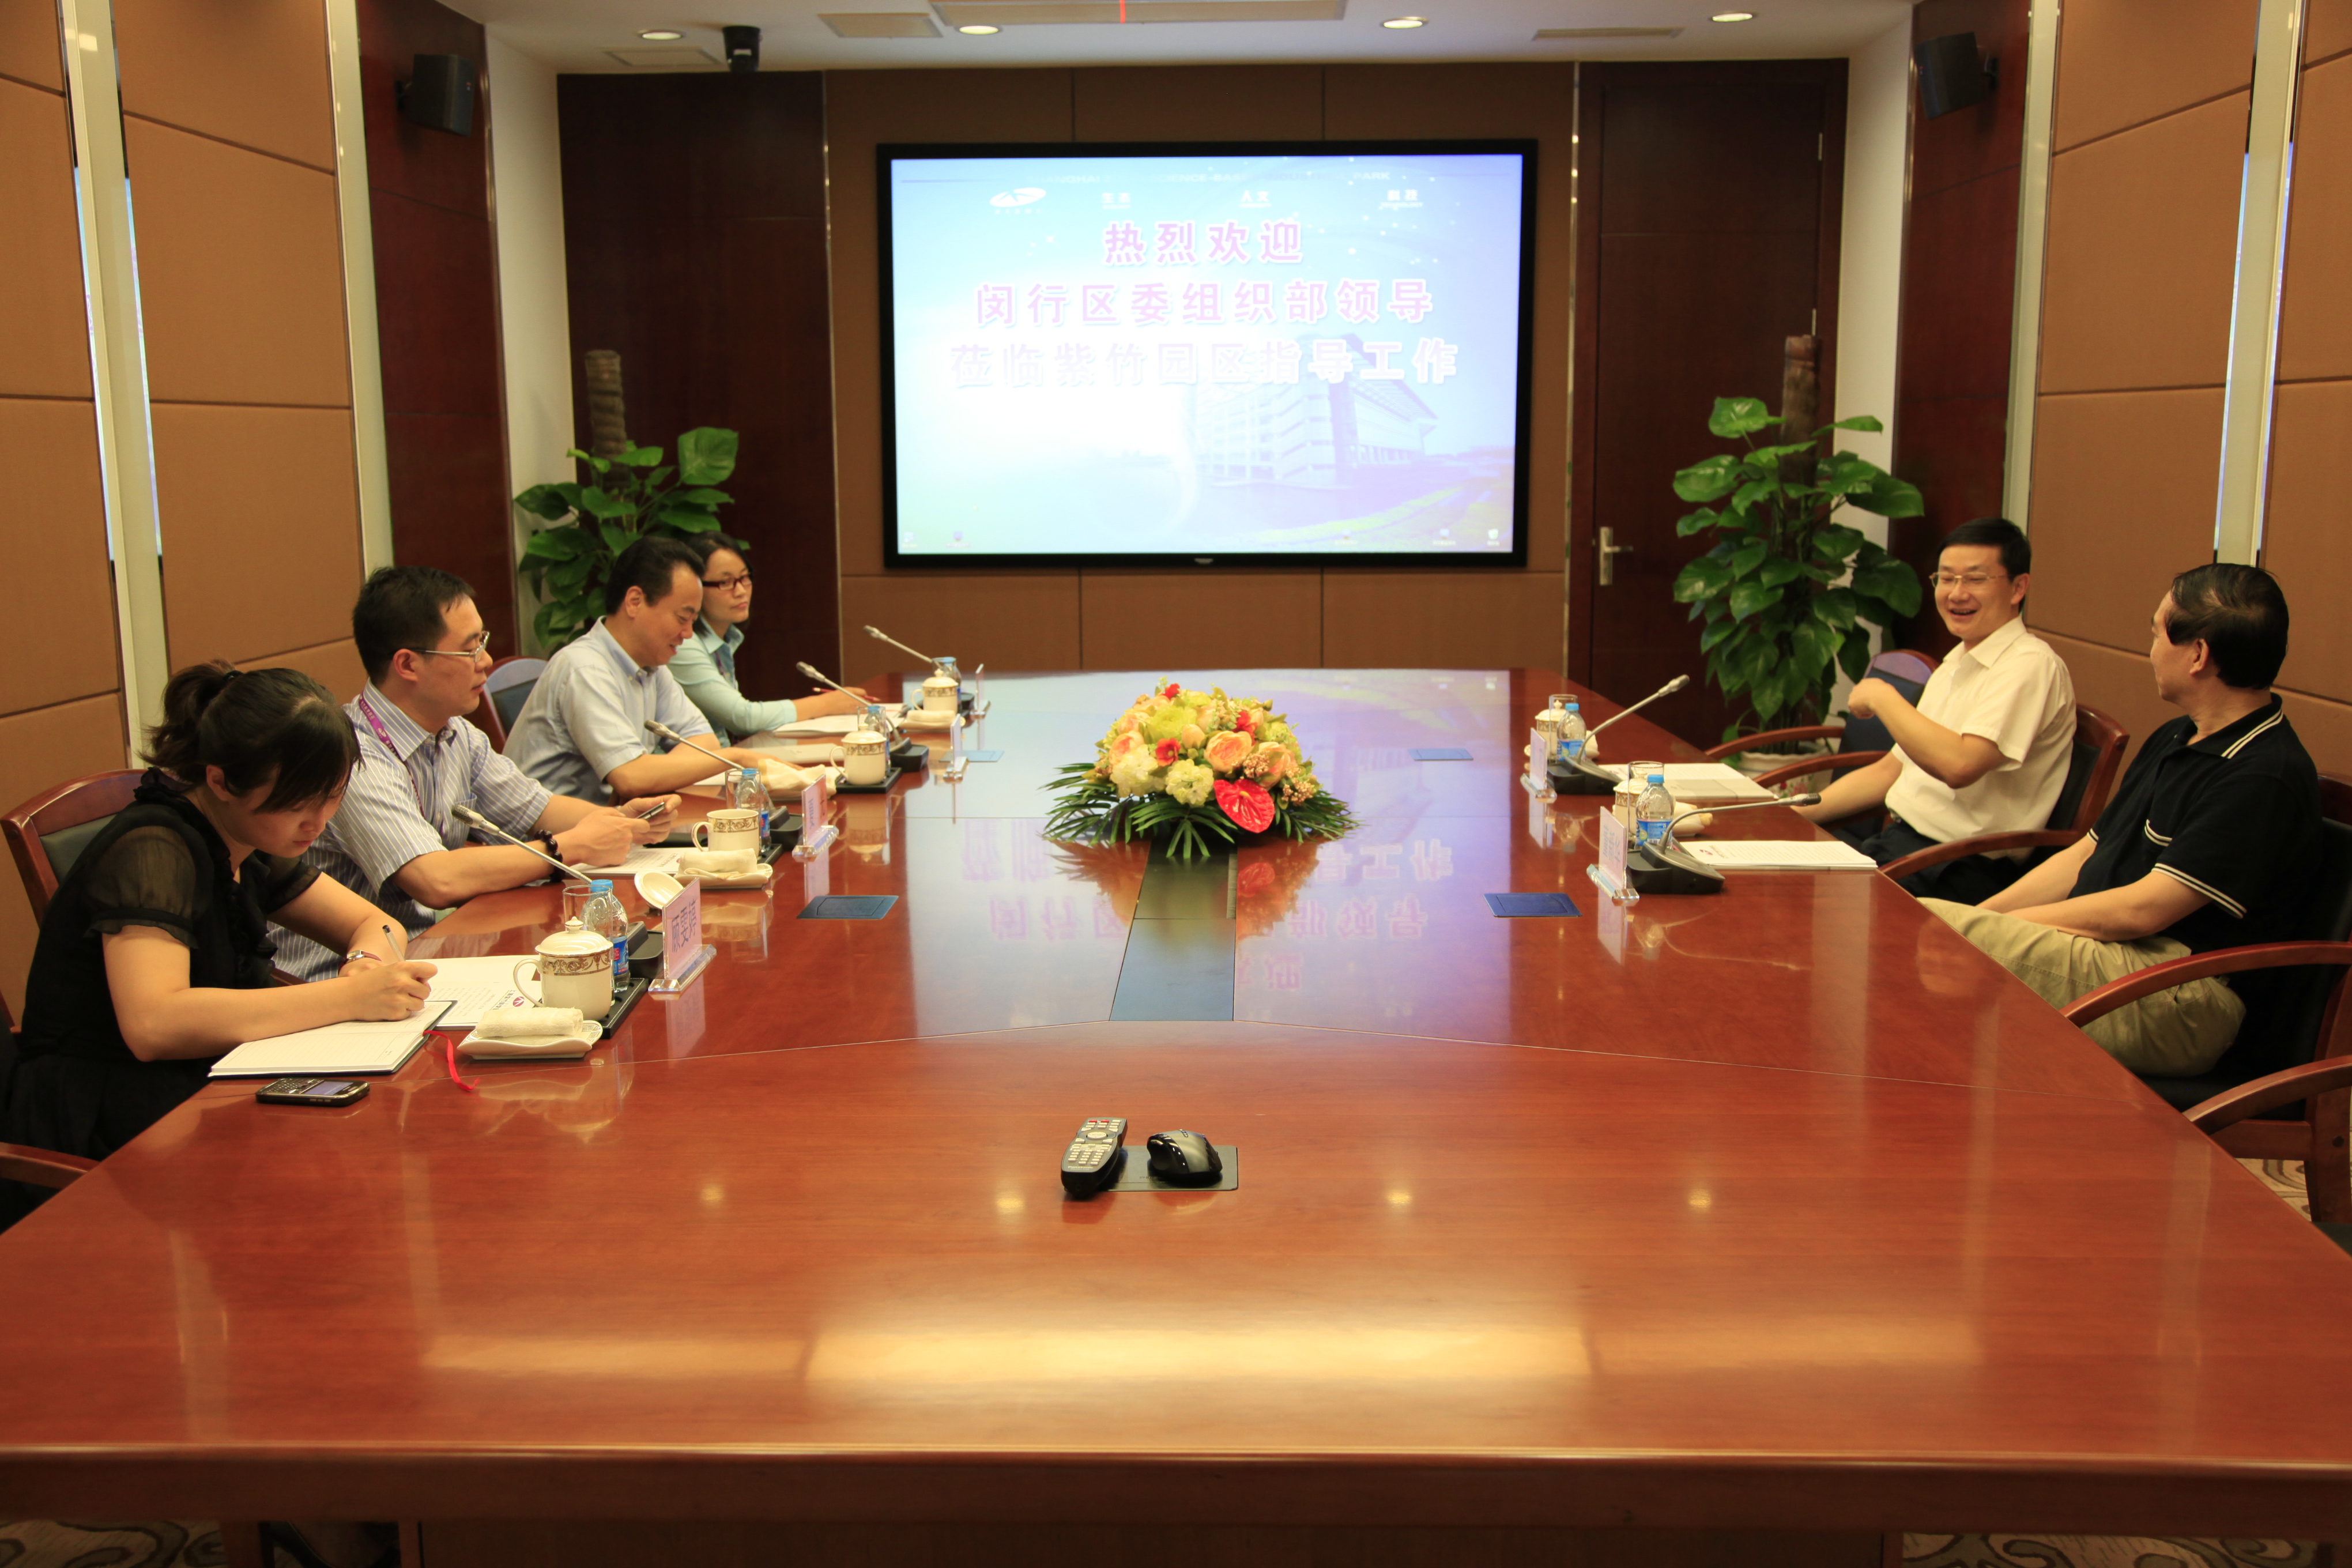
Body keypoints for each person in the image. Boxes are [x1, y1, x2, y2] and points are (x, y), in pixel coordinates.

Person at [2, 664, 438, 1169]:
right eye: (298, 801)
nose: (318, 821)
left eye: (332, 796)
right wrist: (348, 997)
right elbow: (154, 1024)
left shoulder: (248, 839)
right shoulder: (153, 849)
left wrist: (364, 965)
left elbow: (378, 925)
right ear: (221, 781)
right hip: (110, 1112)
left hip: (207, 1079)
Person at [1923, 564, 2320, 1076]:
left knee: (1933, 936)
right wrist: (1984, 917)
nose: (2150, 649)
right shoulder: (2178, 735)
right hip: (2118, 956)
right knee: (1934, 928)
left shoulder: (2263, 774)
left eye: (2156, 634)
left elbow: (2142, 911)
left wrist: (1985, 930)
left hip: (2183, 992)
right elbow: (2086, 853)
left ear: (2198, 654)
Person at [272, 566, 683, 981]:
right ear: (408, 664)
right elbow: (435, 880)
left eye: (482, 643)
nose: (485, 661)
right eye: (469, 650)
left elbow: (537, 808)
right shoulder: (355, 753)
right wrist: (567, 847)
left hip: (430, 949)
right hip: (337, 976)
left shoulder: (456, 733)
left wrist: (623, 821)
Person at [1794, 517, 2076, 903]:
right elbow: (1890, 771)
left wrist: (1882, 696)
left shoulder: (2029, 665)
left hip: (1959, 867)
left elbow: (1960, 766)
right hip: (1904, 849)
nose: (1957, 593)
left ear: (2018, 588)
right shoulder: (1959, 659)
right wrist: (1790, 812)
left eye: (1975, 579)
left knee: (1797, 904)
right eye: (1946, 579)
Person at [504, 537, 776, 802]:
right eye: (683, 618)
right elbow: (630, 778)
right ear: (635, 601)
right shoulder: (585, 668)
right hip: (552, 830)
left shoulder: (651, 664)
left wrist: (647, 774)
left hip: (613, 820)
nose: (688, 633)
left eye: (693, 620)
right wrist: (735, 758)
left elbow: (704, 743)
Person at [670, 536, 873, 743]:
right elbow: (742, 717)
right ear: (696, 588)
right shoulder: (683, 644)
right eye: (725, 583)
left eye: (744, 578)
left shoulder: (725, 640)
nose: (741, 591)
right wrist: (827, 704)